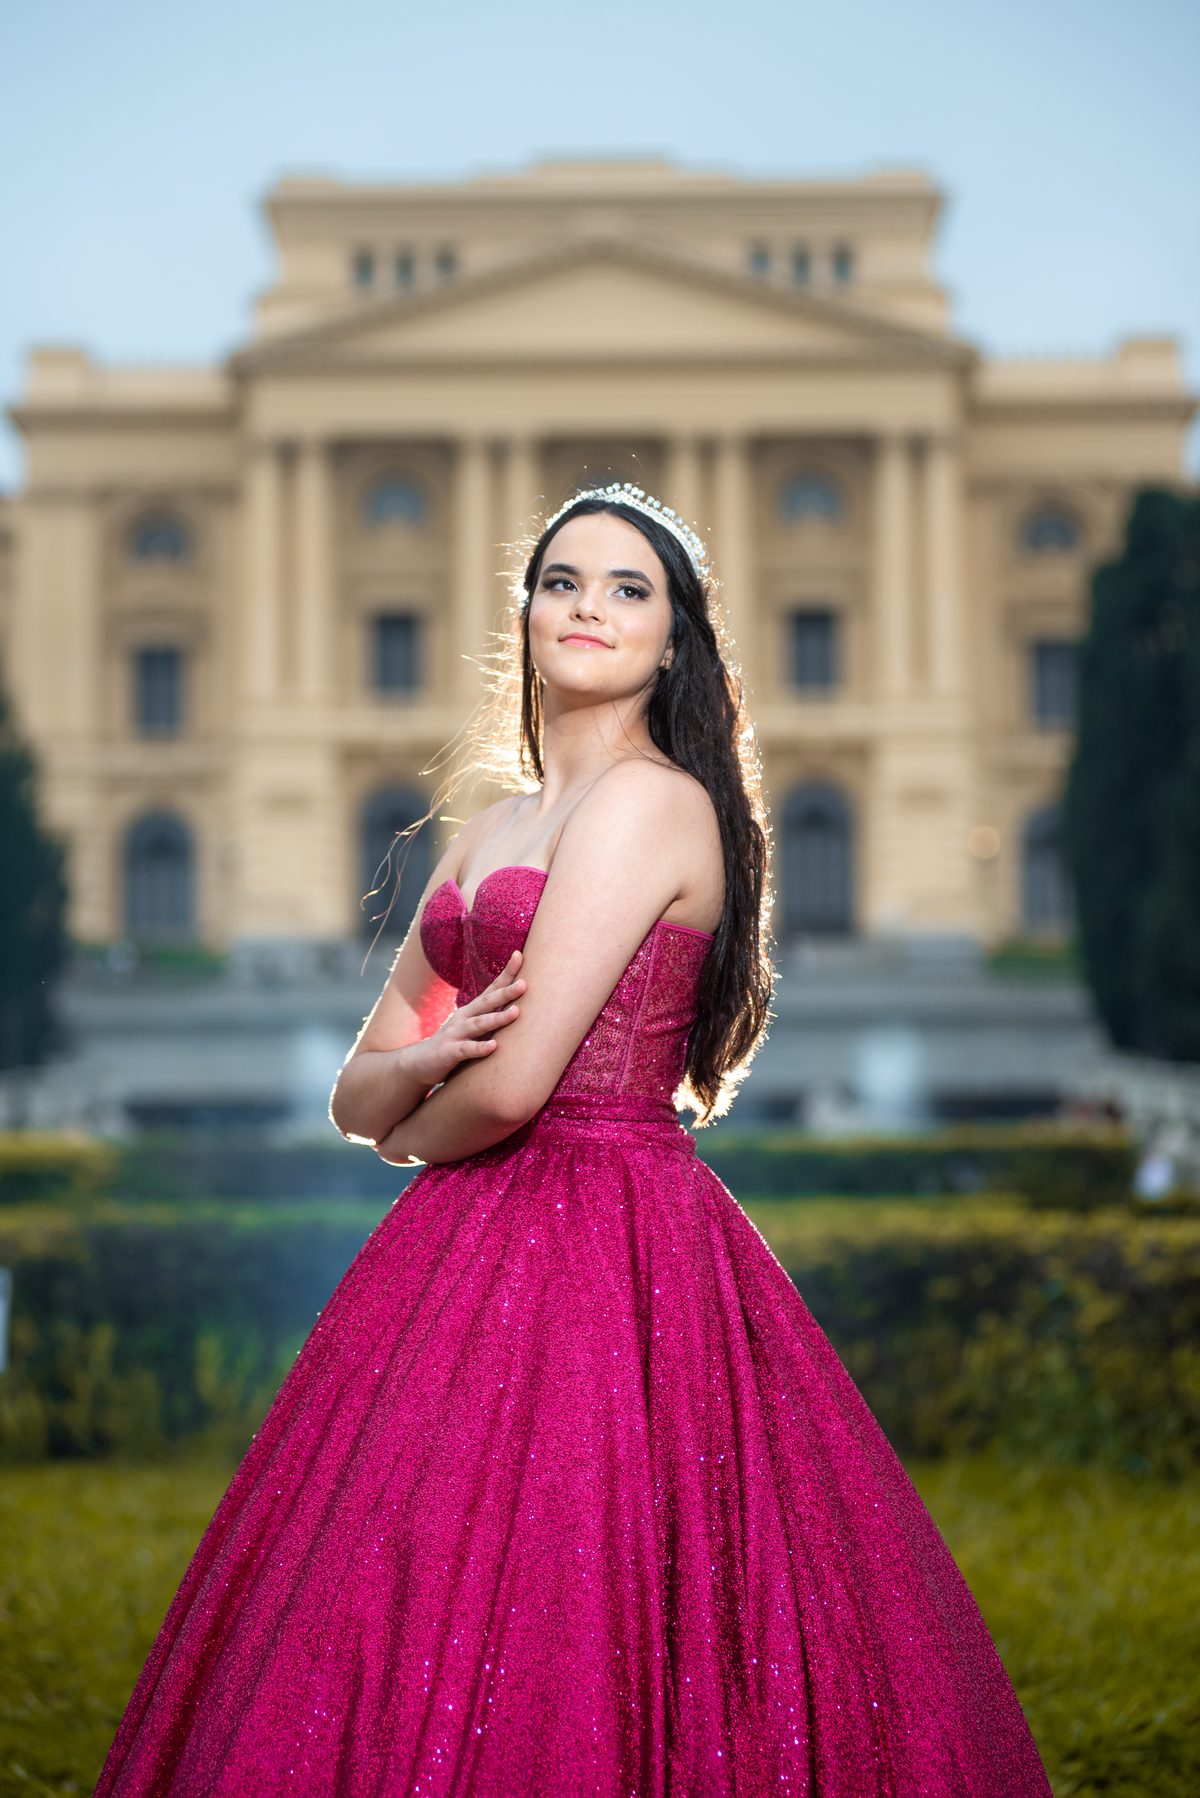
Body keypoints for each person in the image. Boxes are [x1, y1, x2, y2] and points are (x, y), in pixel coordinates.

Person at [97, 486, 1050, 1797]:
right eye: (562, 581)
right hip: (459, 1236)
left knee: (578, 1577)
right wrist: (416, 1070)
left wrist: (409, 1113)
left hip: (610, 1239)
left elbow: (511, 1092)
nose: (588, 607)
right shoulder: (487, 828)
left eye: (627, 587)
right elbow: (354, 1090)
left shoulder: (656, 805)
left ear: (673, 641)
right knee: (396, 1583)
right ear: (527, 616)